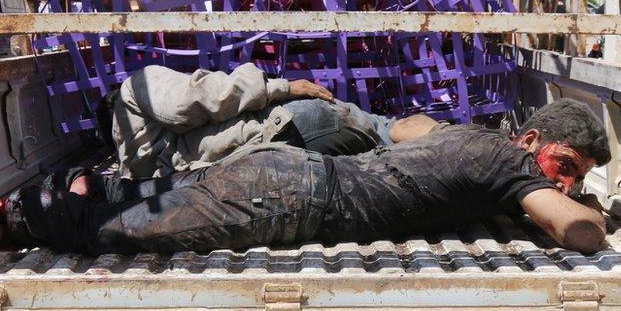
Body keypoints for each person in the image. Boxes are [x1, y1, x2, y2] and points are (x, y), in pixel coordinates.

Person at [0, 99, 612, 269]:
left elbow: (403, 127)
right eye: (567, 165)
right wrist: (580, 206)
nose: (564, 180)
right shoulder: (511, 166)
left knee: (153, 201)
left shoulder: (467, 137)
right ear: (534, 141)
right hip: (292, 197)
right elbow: (577, 233)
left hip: (286, 172)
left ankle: (39, 202)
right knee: (135, 228)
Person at [81, 63, 437, 198]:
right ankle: (467, 144)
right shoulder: (133, 89)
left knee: (384, 144)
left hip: (271, 162)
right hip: (287, 125)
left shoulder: (142, 170)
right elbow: (191, 99)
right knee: (388, 129)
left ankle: (464, 152)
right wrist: (277, 86)